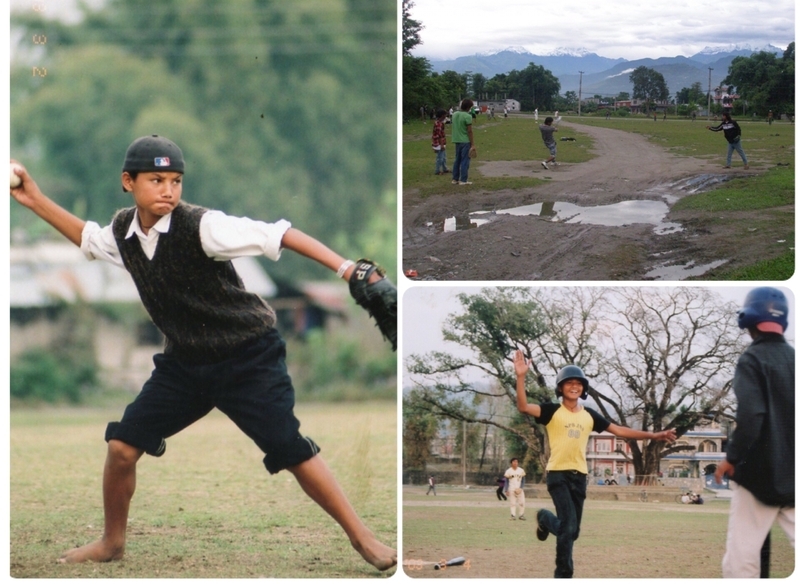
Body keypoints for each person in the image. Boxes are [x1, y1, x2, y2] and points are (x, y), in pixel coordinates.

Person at [9, 137, 397, 572]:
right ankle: (112, 541)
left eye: (175, 180)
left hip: (248, 356)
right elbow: (88, 238)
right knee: (121, 447)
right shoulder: (124, 232)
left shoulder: (203, 226)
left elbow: (279, 235)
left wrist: (347, 268)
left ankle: (364, 538)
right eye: (156, 180)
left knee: (289, 447)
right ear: (127, 182)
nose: (168, 191)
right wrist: (34, 199)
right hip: (186, 364)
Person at [513, 352, 676, 578]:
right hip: (558, 475)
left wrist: (654, 435)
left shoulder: (589, 415)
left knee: (573, 531)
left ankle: (544, 518)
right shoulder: (551, 411)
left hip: (579, 477)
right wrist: (520, 377)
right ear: (560, 388)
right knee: (568, 529)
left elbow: (620, 430)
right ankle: (563, 575)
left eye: (578, 383)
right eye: (569, 383)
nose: (574, 386)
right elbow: (523, 407)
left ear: (583, 389)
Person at [714, 287, 794, 578]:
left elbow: (752, 416)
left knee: (741, 561)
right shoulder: (794, 358)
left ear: (748, 320)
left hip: (758, 475)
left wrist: (731, 458)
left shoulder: (753, 359)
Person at [451, 99, 476, 186]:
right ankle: (463, 180)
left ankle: (455, 179)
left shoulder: (454, 114)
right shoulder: (467, 116)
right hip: (465, 140)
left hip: (456, 140)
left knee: (457, 160)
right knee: (465, 160)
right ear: (468, 107)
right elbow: (469, 131)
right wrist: (472, 144)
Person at [431, 109, 449, 176]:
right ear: (442, 115)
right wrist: (441, 145)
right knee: (440, 157)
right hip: (439, 143)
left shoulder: (440, 123)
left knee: (444, 157)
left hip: (441, 142)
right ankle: (437, 170)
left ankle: (445, 168)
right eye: (445, 115)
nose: (446, 116)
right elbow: (439, 135)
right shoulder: (438, 124)